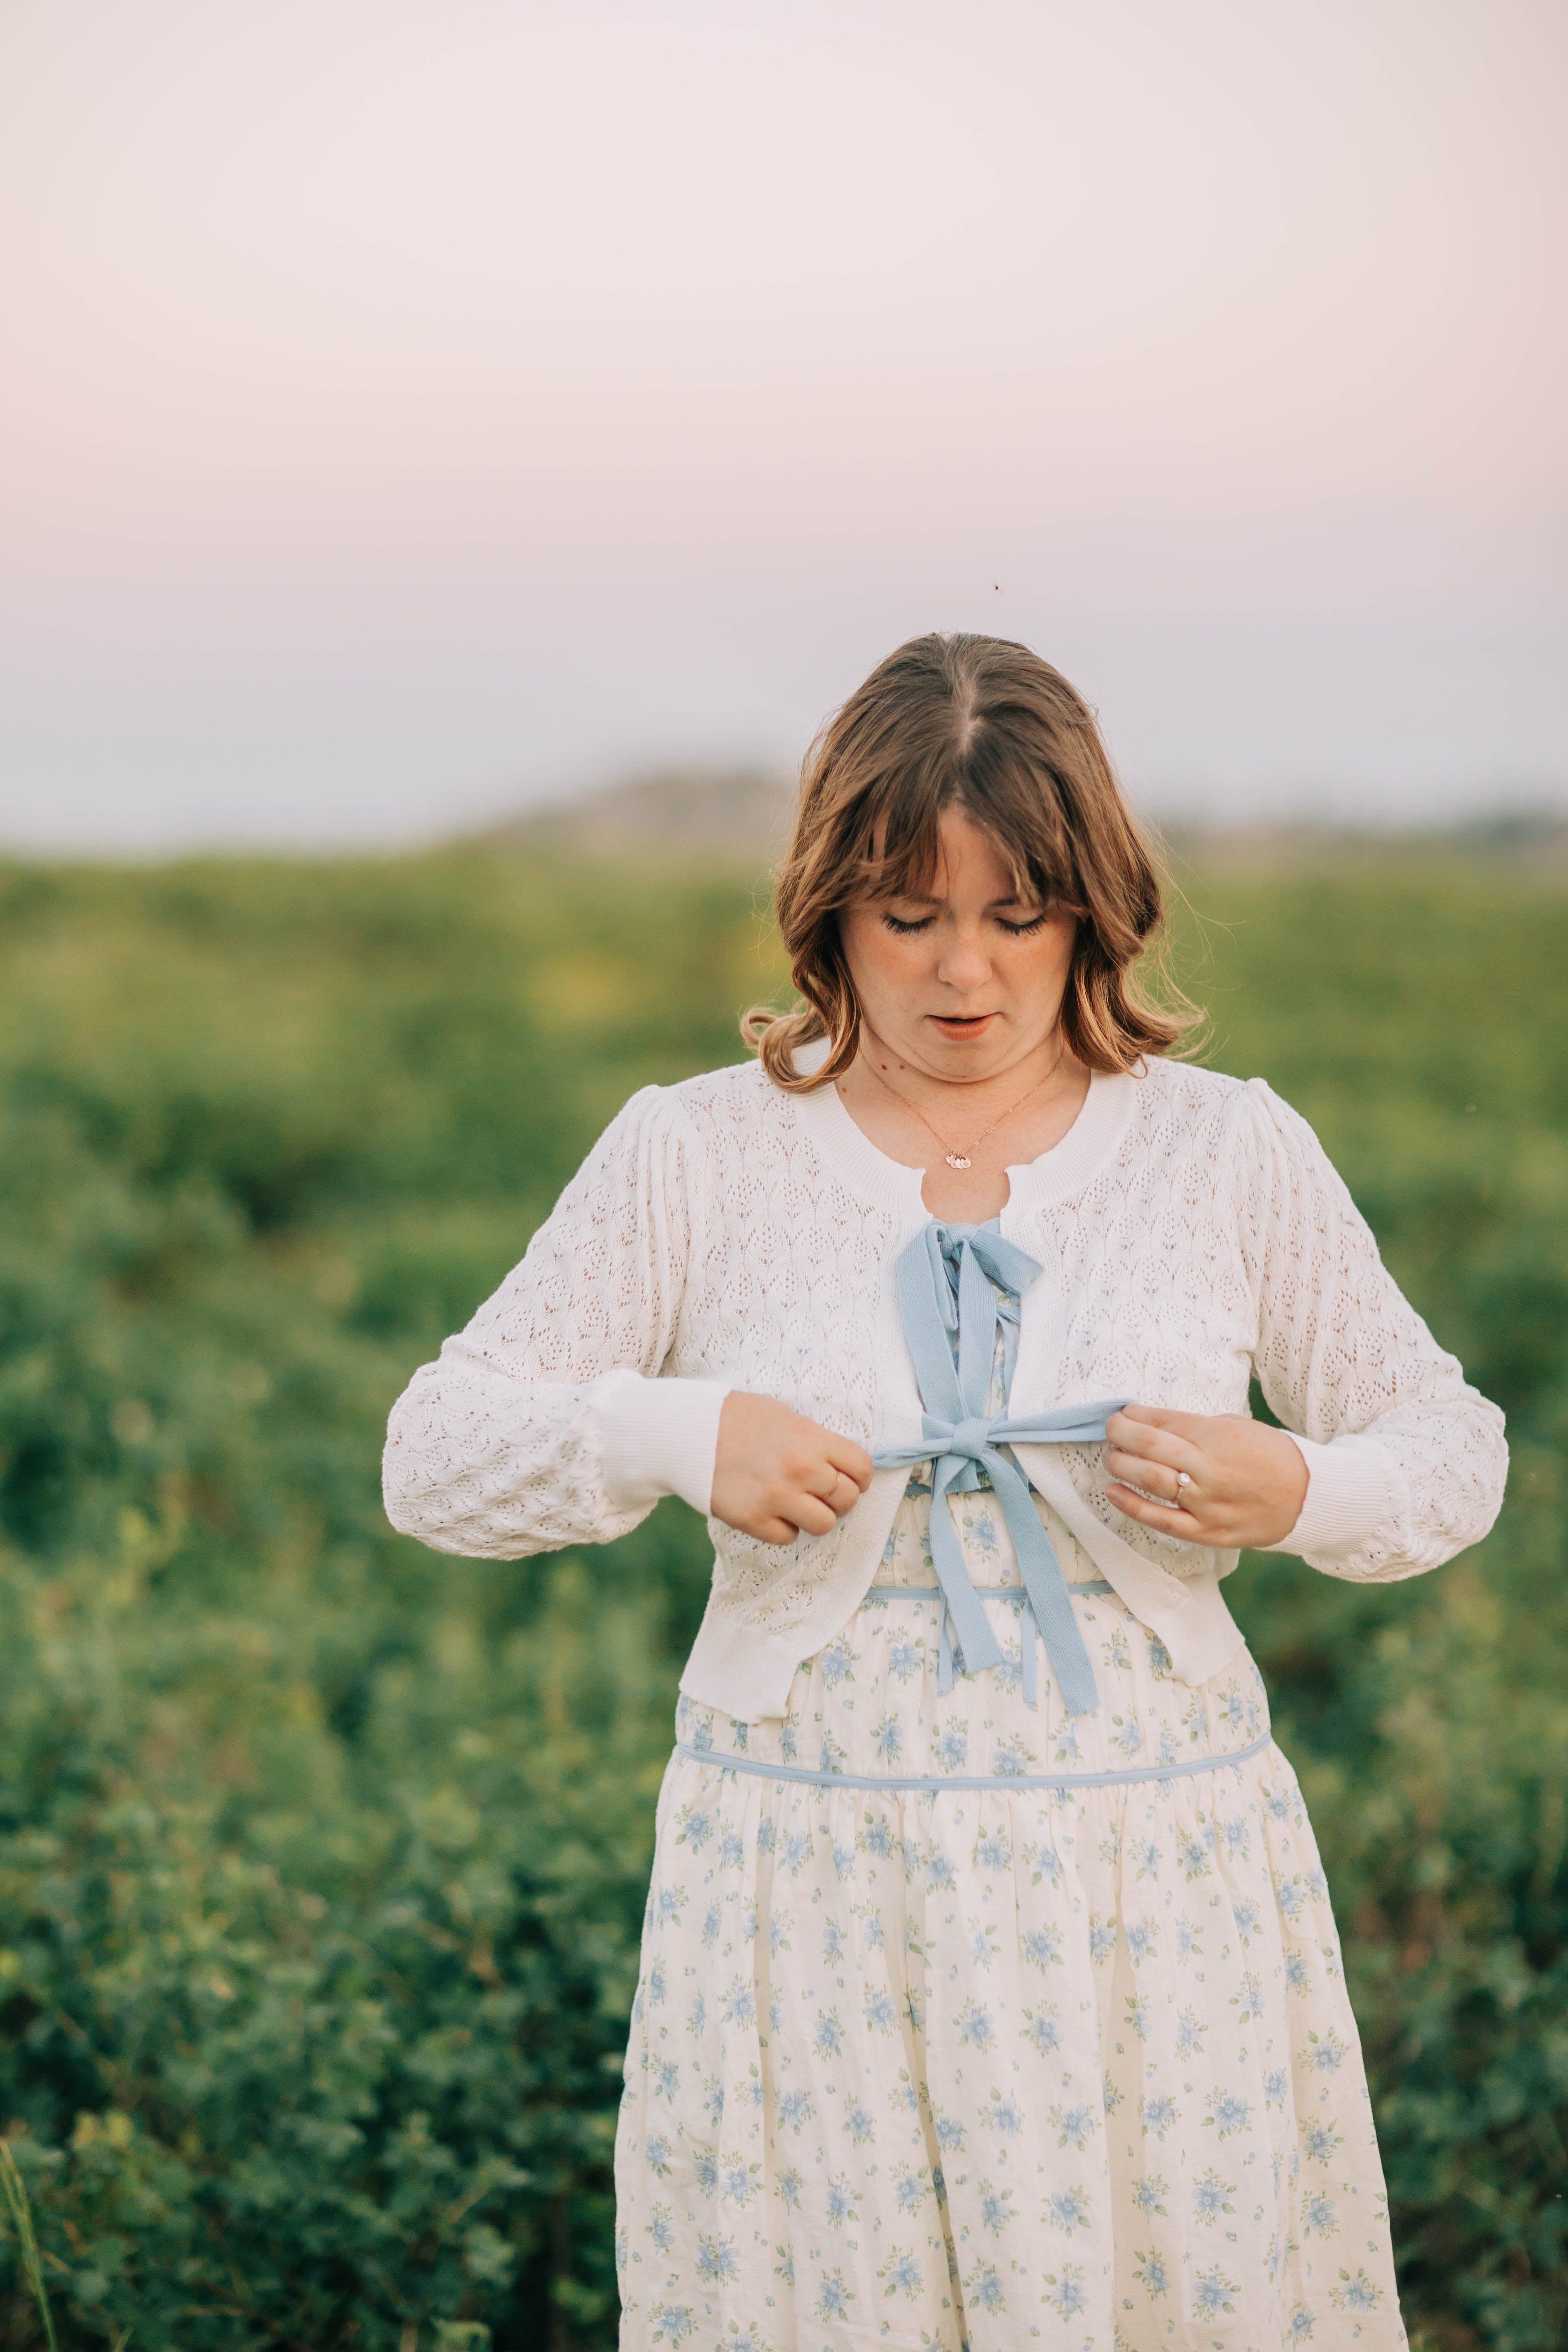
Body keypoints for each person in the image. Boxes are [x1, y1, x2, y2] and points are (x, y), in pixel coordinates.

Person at [383, 634, 1506, 2352]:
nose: (962, 971)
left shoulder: (1226, 1149)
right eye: (908, 918)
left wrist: (1295, 1485)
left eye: (1017, 915)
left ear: (1095, 913)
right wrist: (679, 1435)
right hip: (809, 1900)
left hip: (1155, 1889)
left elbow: (1451, 1451)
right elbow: (434, 1454)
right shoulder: (697, 1153)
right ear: (828, 910)